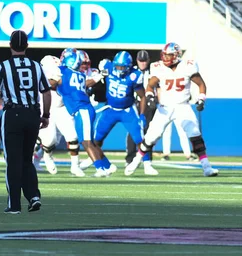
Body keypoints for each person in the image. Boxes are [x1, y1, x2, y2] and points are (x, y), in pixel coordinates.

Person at [125, 42, 219, 177]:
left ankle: (206, 167)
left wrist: (201, 99)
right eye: (164, 55)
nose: (165, 58)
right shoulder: (158, 67)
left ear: (176, 55)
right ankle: (135, 161)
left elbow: (201, 84)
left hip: (183, 106)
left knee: (195, 134)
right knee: (151, 137)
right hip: (165, 108)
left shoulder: (187, 66)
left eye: (168, 56)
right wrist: (150, 97)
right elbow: (150, 86)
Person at [0, 30, 51, 214]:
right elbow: (46, 92)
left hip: (12, 114)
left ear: (10, 46)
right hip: (32, 114)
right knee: (26, 159)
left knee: (13, 161)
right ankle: (33, 196)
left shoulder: (4, 66)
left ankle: (14, 204)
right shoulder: (36, 66)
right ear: (27, 46)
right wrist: (45, 115)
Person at [89, 51, 158, 175]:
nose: (120, 69)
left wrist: (142, 115)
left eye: (123, 67)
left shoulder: (134, 75)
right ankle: (105, 165)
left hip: (128, 110)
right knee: (96, 141)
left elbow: (142, 97)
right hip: (110, 109)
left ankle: (147, 165)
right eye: (118, 66)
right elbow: (96, 79)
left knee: (140, 139)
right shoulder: (107, 67)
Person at [57, 49, 115, 177]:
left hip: (82, 109)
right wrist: (101, 75)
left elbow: (53, 81)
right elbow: (88, 83)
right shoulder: (80, 75)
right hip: (82, 110)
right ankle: (107, 166)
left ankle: (100, 169)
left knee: (86, 142)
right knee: (88, 141)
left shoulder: (63, 71)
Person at [34, 54, 85, 177]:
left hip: (62, 107)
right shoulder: (45, 67)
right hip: (47, 107)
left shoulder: (65, 70)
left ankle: (75, 166)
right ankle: (47, 156)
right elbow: (50, 84)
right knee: (50, 140)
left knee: (72, 136)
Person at [125, 50, 156, 165]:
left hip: (149, 104)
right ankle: (130, 158)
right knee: (133, 130)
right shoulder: (131, 71)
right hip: (134, 103)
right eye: (140, 61)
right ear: (137, 61)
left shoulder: (153, 71)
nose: (142, 63)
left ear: (148, 61)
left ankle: (147, 158)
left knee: (149, 132)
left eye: (144, 61)